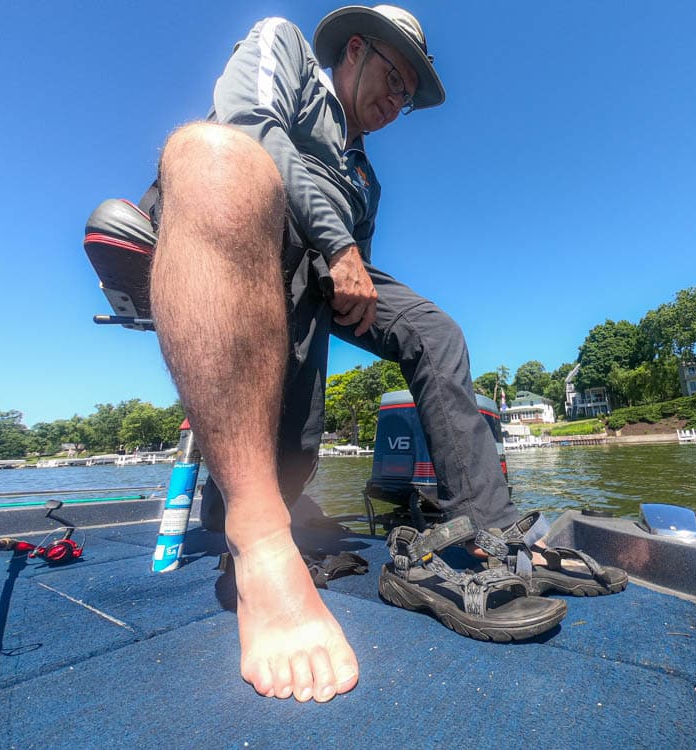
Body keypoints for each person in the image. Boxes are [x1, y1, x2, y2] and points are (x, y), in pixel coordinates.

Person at [146, 5, 528, 704]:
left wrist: (348, 269)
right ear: (354, 51)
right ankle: (258, 538)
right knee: (213, 150)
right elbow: (249, 125)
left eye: (409, 97)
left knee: (434, 329)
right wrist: (337, 244)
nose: (397, 100)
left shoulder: (367, 181)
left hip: (325, 266)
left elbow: (353, 278)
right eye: (393, 78)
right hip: (239, 223)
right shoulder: (282, 44)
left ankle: (488, 534)